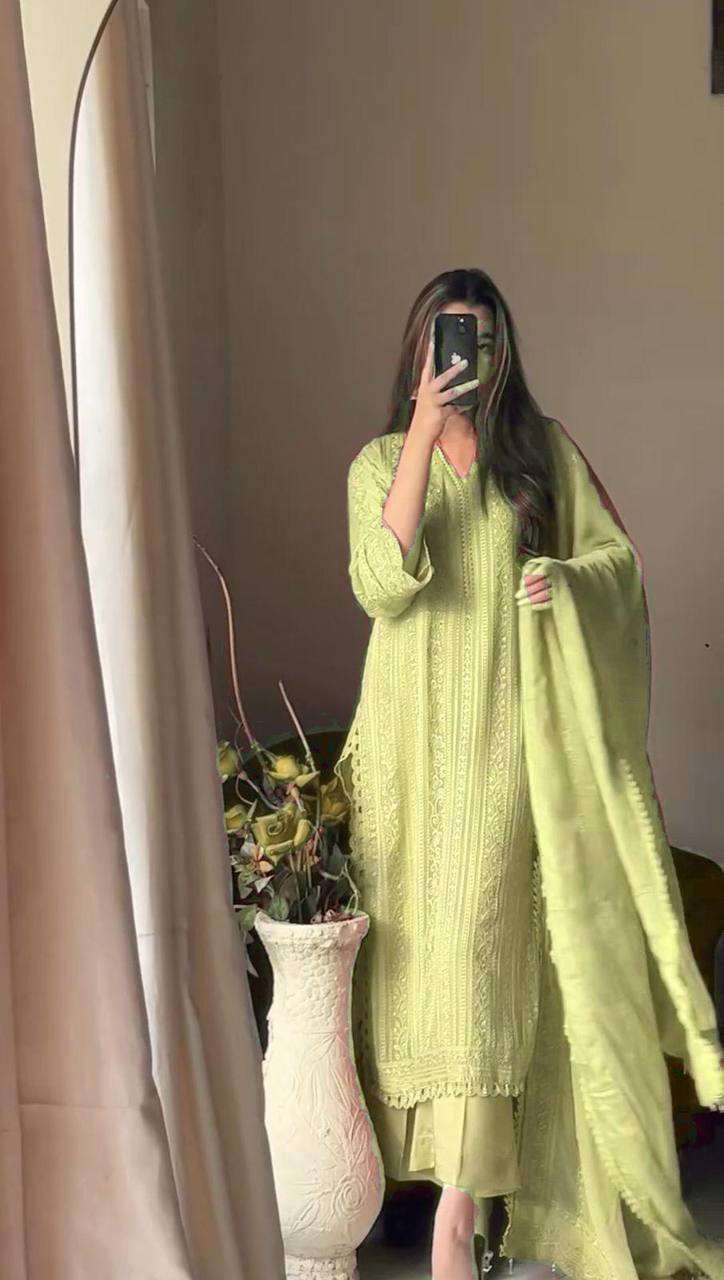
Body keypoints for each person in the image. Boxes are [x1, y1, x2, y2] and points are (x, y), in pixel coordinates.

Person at [334, 267, 724, 1280]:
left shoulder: (541, 453)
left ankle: (458, 1218)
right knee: (421, 969)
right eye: (449, 337)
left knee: (479, 954)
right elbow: (380, 583)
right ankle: (426, 1197)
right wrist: (422, 431)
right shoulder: (379, 460)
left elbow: (618, 568)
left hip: (509, 742)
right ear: (421, 348)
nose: (469, 356)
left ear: (505, 349)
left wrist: (566, 582)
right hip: (408, 757)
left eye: (484, 336)